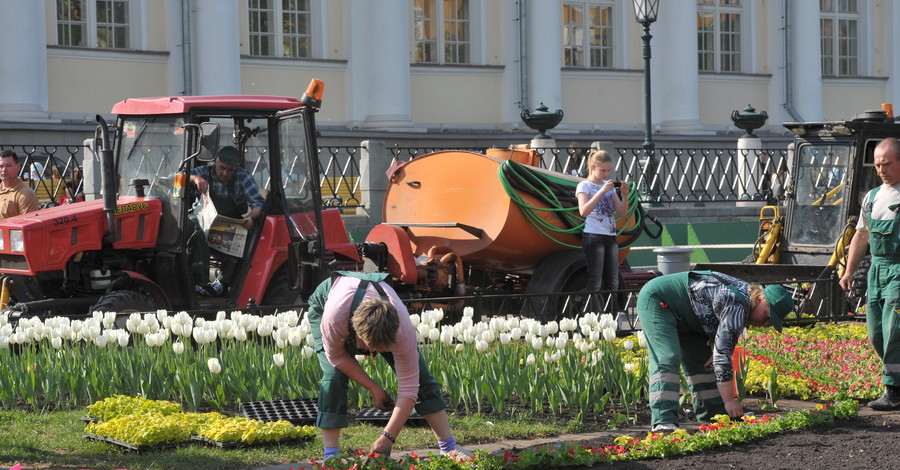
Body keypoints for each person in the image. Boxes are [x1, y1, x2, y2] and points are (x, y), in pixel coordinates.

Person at [307, 271, 472, 461]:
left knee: (421, 376)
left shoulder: (402, 328)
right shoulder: (334, 319)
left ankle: (448, 445)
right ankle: (331, 455)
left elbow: (410, 388)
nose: (381, 351)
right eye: (375, 348)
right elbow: (337, 358)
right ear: (358, 335)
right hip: (329, 299)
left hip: (375, 303)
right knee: (333, 376)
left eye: (387, 346)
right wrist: (373, 387)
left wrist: (388, 437)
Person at [637, 270, 793, 432]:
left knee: (703, 361)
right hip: (659, 299)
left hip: (690, 316)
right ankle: (663, 421)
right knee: (668, 357)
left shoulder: (745, 302)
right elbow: (722, 356)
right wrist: (730, 401)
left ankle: (714, 413)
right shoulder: (737, 305)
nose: (765, 323)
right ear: (760, 298)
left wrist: (716, 350)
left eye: (771, 321)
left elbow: (724, 336)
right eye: (767, 316)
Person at [839, 137, 900, 411]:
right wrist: (849, 270)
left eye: (886, 164)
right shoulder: (872, 197)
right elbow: (861, 236)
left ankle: (893, 390)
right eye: (877, 165)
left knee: (894, 330)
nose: (881, 169)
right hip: (877, 269)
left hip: (898, 268)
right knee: (876, 331)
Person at [189, 146, 266, 296]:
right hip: (203, 220)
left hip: (227, 224)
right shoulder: (203, 171)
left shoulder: (243, 177)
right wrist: (195, 179)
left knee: (241, 236)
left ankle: (222, 284)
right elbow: (175, 177)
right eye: (222, 168)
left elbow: (258, 204)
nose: (225, 173)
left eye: (230, 170)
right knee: (196, 234)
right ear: (215, 163)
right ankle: (200, 284)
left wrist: (251, 217)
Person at [576, 150, 630, 307]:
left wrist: (625, 195)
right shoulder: (584, 186)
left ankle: (612, 319)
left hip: (610, 236)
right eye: (602, 170)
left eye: (608, 170)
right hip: (593, 236)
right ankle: (593, 319)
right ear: (593, 167)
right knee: (595, 282)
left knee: (613, 282)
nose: (606, 174)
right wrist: (601, 191)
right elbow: (583, 211)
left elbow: (620, 212)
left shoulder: (610, 188)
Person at [0, 150, 39, 219]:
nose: (4, 170)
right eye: (1, 166)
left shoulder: (25, 194)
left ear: (18, 167)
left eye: (8, 166)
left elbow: (28, 225)